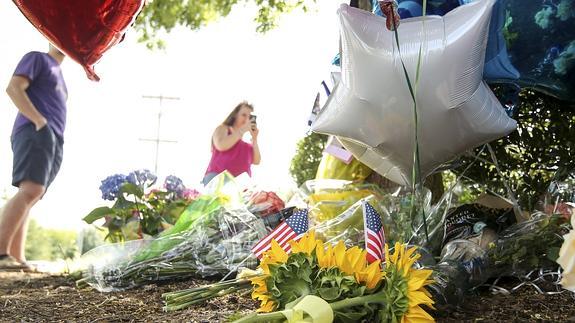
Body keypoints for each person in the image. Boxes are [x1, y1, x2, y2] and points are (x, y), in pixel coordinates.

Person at [0, 44, 67, 271]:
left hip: (54, 138)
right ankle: (1, 253)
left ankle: (16, 259)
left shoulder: (61, 76)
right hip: (35, 130)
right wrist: (39, 121)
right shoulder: (38, 59)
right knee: (31, 190)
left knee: (32, 195)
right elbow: (14, 88)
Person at [203, 101, 261, 185]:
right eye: (244, 115)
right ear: (235, 115)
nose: (246, 119)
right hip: (218, 179)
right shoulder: (223, 129)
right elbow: (221, 145)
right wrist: (242, 129)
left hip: (238, 186)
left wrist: (255, 139)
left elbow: (256, 161)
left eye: (250, 117)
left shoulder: (247, 146)